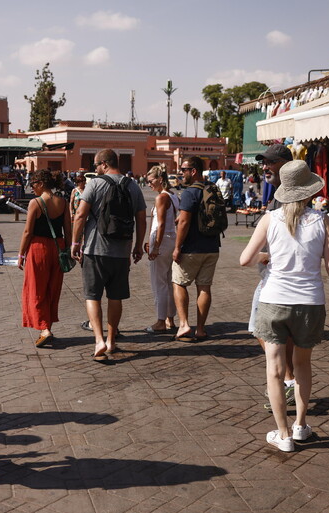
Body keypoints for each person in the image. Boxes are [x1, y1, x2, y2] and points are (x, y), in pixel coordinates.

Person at [240, 160, 329, 452]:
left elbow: (244, 259)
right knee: (302, 365)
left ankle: (283, 434)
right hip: (310, 303)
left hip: (274, 300)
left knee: (274, 371)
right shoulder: (321, 220)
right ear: (310, 191)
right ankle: (300, 425)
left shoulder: (269, 219)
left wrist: (266, 257)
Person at [71, 149, 147, 361]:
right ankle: (112, 340)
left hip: (95, 249)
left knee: (92, 295)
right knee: (115, 297)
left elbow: (80, 215)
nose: (95, 169)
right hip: (121, 251)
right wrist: (138, 246)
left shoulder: (95, 183)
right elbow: (141, 219)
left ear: (104, 164)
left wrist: (75, 242)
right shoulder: (132, 185)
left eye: (96, 166)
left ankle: (99, 340)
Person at [253, 144, 296, 410]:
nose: (265, 167)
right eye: (264, 163)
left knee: (262, 329)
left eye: (270, 162)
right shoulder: (279, 194)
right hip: (276, 276)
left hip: (276, 276)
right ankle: (286, 380)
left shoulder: (288, 197)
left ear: (285, 164)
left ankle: (285, 380)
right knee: (280, 334)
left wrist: (266, 256)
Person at [17, 169, 72, 347]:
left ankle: (44, 328)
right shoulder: (63, 202)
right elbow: (68, 229)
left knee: (36, 288)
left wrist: (20, 254)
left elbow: (27, 231)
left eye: (33, 184)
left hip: (38, 248)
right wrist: (69, 249)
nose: (32, 188)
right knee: (52, 289)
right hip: (59, 247)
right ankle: (47, 325)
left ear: (41, 184)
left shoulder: (36, 202)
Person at [172, 156, 219, 342]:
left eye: (183, 170)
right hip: (212, 246)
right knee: (204, 287)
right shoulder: (212, 189)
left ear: (193, 171)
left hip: (191, 248)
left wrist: (177, 247)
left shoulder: (190, 192)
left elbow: (184, 221)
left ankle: (184, 325)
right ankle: (200, 329)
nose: (181, 173)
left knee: (179, 283)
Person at [145, 166, 179, 333]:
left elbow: (161, 224)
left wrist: (155, 246)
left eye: (151, 181)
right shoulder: (174, 197)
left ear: (159, 179)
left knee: (159, 283)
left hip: (162, 240)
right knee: (169, 281)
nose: (149, 184)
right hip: (172, 239)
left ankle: (160, 321)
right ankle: (170, 319)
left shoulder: (161, 198)